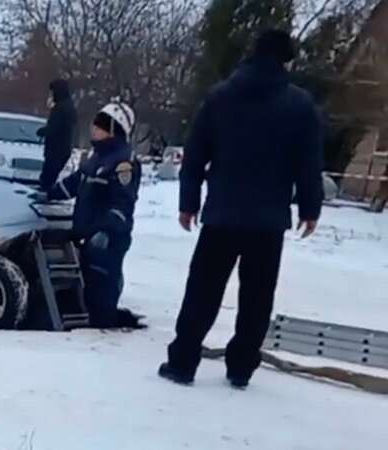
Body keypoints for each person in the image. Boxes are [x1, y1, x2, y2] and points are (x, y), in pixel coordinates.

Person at [158, 29, 324, 388]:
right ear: (287, 60)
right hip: (268, 220)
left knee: (202, 290)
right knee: (257, 296)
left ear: (251, 53)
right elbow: (309, 162)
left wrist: (189, 203)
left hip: (222, 214)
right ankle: (241, 366)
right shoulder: (300, 105)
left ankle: (183, 361)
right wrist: (310, 208)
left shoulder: (221, 96)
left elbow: (195, 154)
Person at [35, 100, 145, 330]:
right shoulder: (94, 159)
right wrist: (48, 194)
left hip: (108, 240)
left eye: (101, 126)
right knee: (88, 291)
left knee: (102, 291)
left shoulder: (124, 163)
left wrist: (106, 231)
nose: (94, 129)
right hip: (87, 236)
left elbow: (123, 204)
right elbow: (73, 184)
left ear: (114, 130)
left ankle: (106, 327)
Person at [37, 79, 78, 191]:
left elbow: (56, 127)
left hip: (57, 149)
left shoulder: (61, 108)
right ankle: (46, 192)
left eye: (53, 92)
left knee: (48, 177)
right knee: (49, 176)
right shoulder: (67, 106)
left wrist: (43, 131)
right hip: (61, 148)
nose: (51, 95)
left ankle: (46, 195)